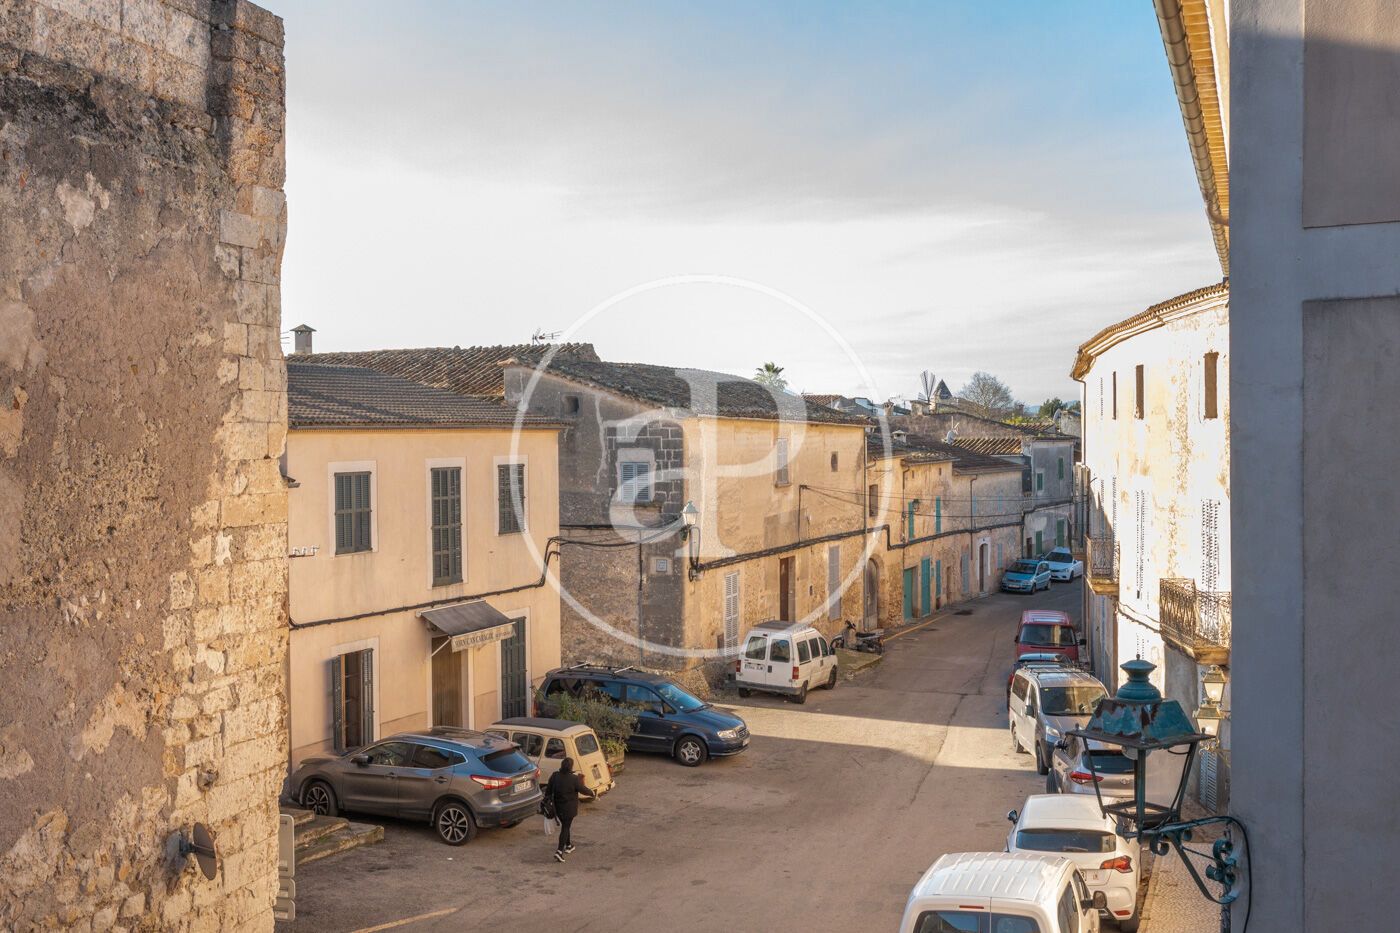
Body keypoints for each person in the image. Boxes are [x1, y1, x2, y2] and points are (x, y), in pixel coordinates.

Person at [545, 756, 594, 862]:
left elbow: (548, 791)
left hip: (557, 808)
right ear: (571, 767)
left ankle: (569, 845)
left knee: (565, 826)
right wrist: (592, 793)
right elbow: (583, 790)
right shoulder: (574, 779)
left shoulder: (555, 776)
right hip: (569, 809)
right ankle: (559, 851)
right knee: (565, 828)